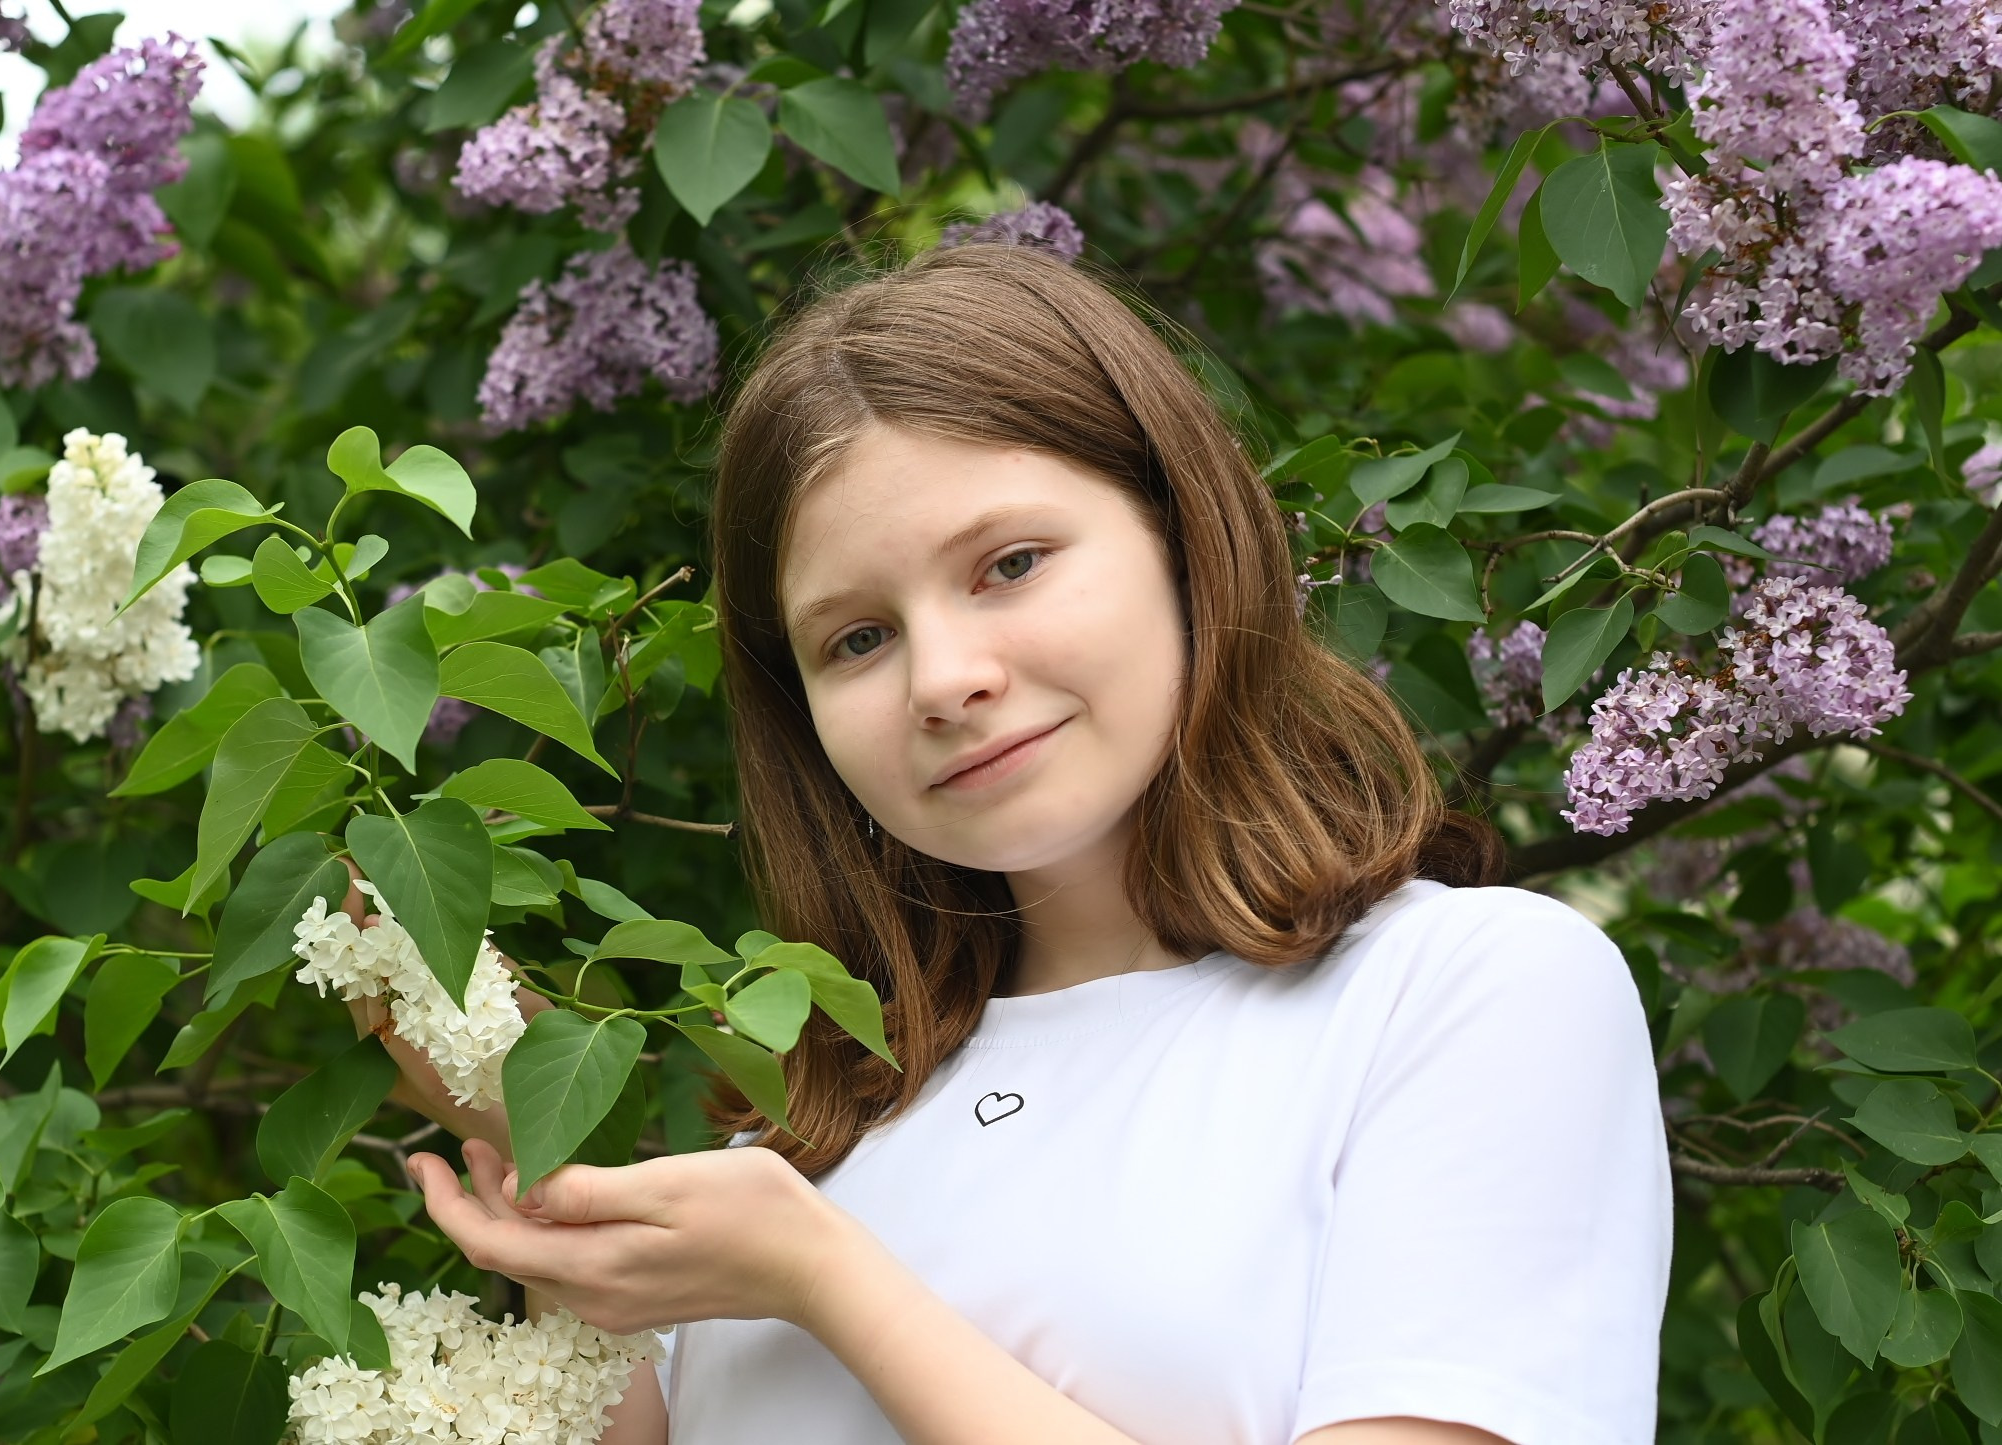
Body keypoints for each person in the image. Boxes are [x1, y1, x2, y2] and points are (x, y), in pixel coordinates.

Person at [352, 242, 1674, 1445]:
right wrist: (543, 1149)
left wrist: (828, 1280)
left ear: (1184, 537)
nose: (944, 678)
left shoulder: (1465, 994)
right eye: (856, 638)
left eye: (1011, 563)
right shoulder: (799, 1150)